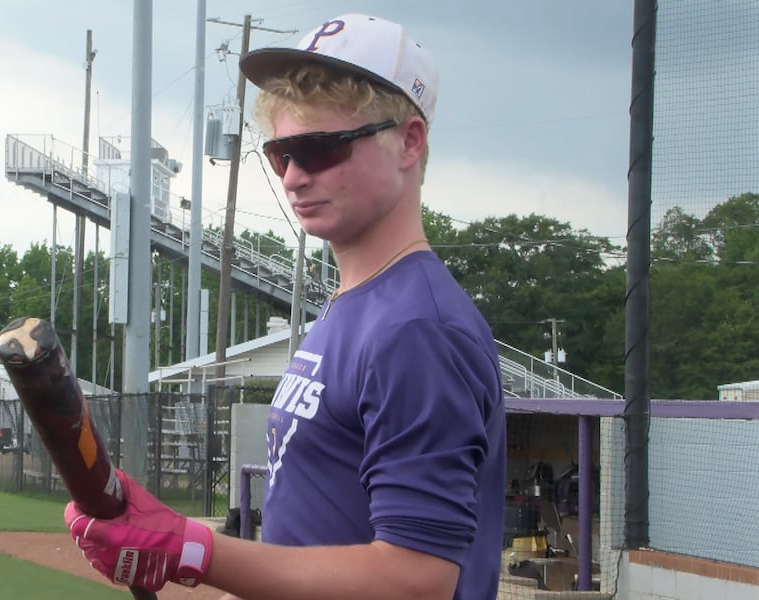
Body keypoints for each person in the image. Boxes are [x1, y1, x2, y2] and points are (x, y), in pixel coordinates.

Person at [64, 14, 506, 600]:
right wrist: (172, 537)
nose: (294, 177)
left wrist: (193, 549)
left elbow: (415, 579)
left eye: (320, 148)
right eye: (281, 154)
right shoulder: (352, 307)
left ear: (410, 141)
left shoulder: (417, 328)